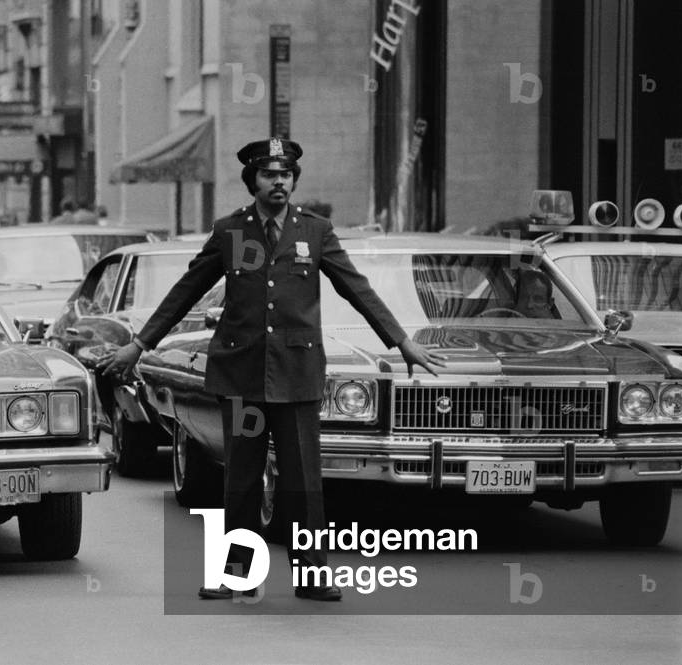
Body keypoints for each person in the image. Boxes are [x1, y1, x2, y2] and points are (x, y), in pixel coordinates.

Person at [99, 138, 446, 601]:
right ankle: (237, 574)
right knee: (241, 479)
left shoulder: (315, 232)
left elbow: (355, 288)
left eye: (285, 175)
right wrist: (139, 346)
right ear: (253, 182)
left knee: (303, 480)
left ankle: (313, 575)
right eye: (269, 175)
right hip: (242, 378)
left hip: (297, 376)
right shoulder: (230, 233)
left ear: (294, 181)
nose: (278, 182)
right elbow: (185, 290)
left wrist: (401, 341)